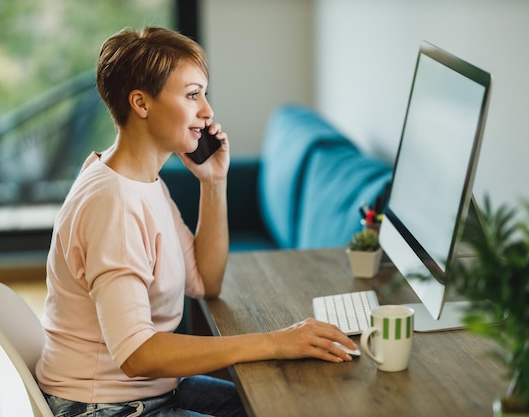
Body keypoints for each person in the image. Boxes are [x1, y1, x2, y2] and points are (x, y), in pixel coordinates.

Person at [36, 26, 358, 417]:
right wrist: (276, 342)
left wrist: (214, 182)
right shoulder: (114, 205)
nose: (207, 111)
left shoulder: (143, 181)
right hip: (105, 405)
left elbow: (205, 280)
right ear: (141, 103)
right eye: (192, 95)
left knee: (284, 404)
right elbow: (137, 354)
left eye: (203, 93)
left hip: (149, 391)